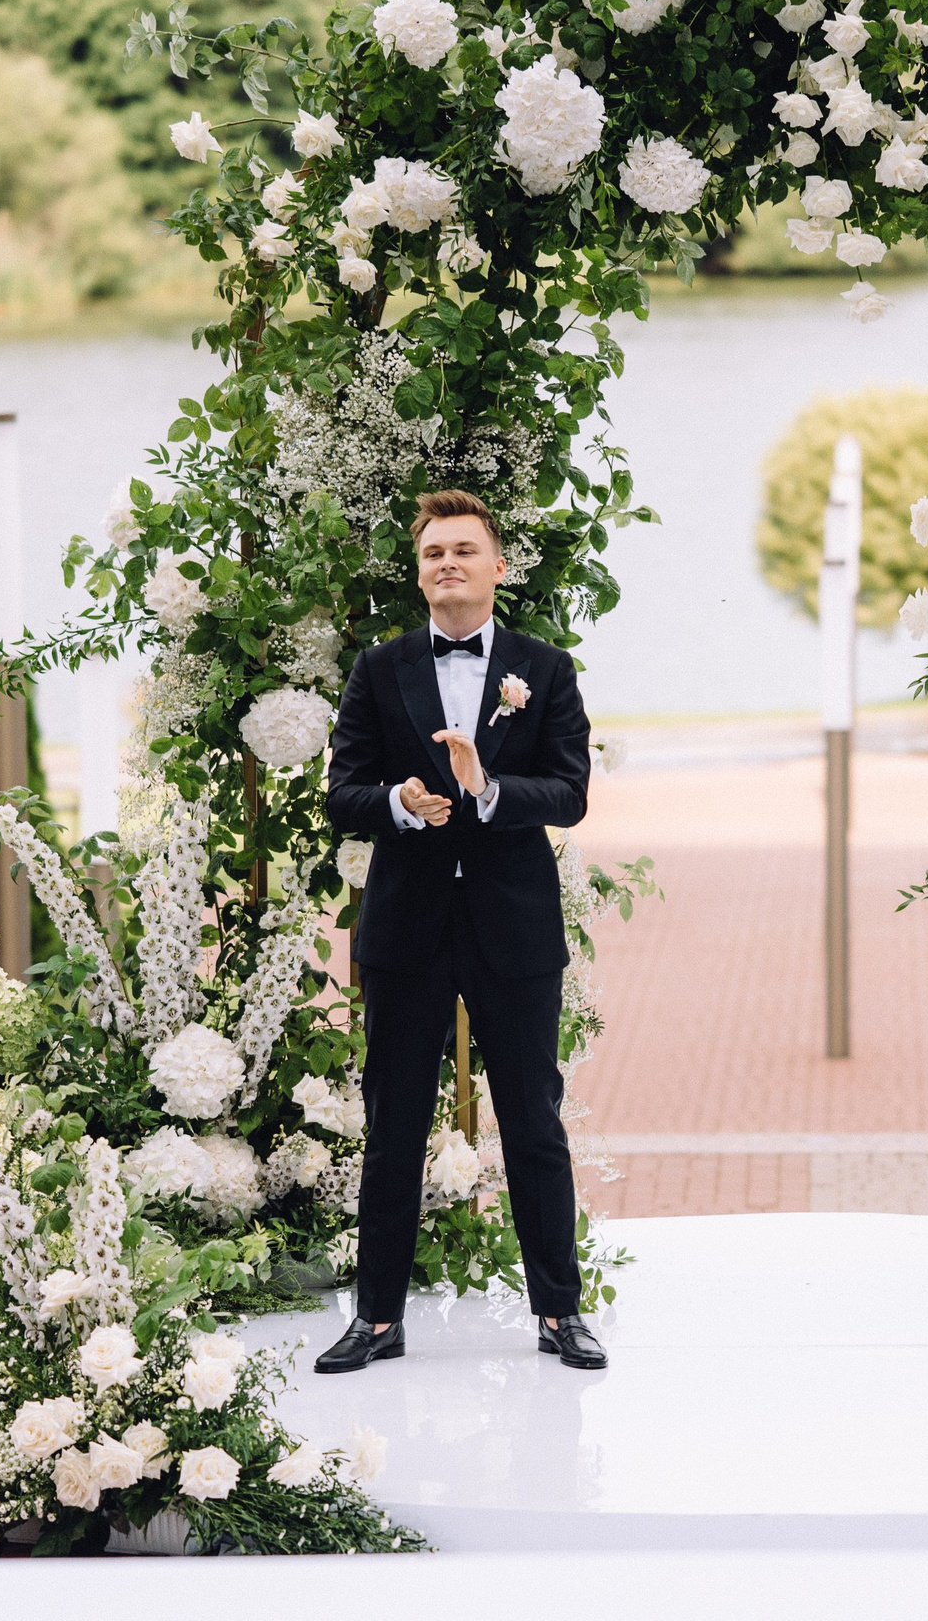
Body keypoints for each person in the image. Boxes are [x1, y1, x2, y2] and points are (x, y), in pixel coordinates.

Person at [316, 488, 605, 1373]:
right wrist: (398, 803)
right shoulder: (380, 668)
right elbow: (342, 794)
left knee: (533, 1121)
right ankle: (376, 1319)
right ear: (419, 574)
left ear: (497, 567)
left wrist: (487, 789)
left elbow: (570, 792)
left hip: (512, 929)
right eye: (434, 553)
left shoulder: (543, 668)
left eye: (464, 550)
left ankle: (558, 1314)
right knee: (393, 1122)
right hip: (406, 928)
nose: (448, 563)